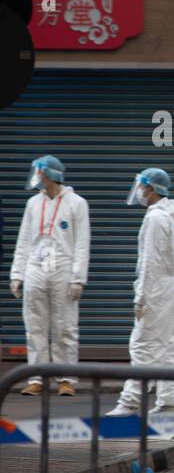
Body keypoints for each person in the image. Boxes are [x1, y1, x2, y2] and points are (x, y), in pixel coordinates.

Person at [108, 169, 174, 417]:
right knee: (167, 345)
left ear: (151, 189)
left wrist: (140, 297)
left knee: (143, 344)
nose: (140, 192)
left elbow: (149, 263)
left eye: (142, 187)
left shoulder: (156, 218)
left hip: (157, 288)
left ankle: (130, 401)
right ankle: (168, 399)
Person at [9, 155, 90, 397]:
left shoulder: (76, 203)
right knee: (35, 325)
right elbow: (24, 240)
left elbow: (82, 243)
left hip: (63, 268)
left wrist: (78, 277)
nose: (37, 178)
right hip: (36, 266)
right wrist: (17, 273)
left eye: (40, 173)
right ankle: (37, 377)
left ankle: (66, 378)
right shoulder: (33, 203)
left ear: (50, 174)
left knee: (65, 325)